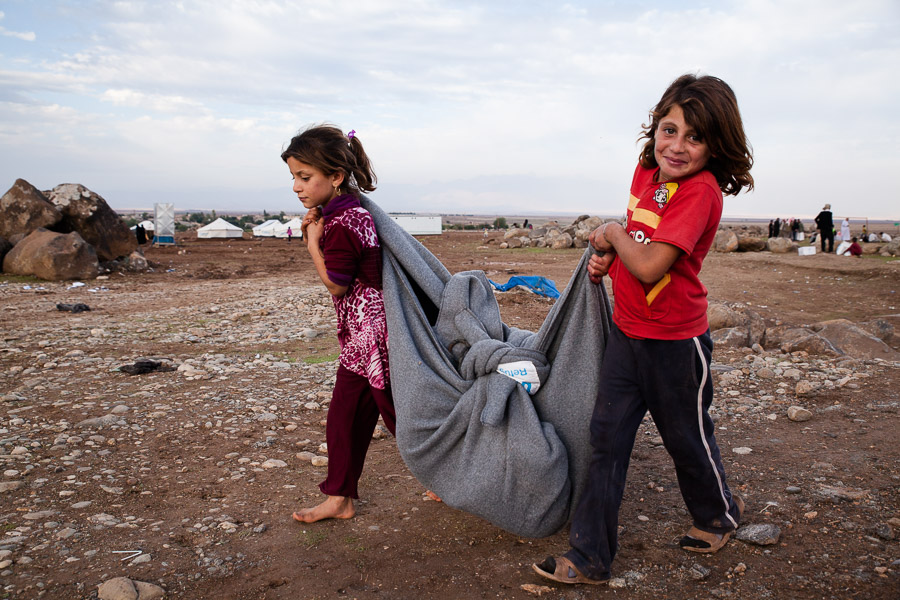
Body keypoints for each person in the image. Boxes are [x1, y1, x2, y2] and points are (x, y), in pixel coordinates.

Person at [533, 74, 753, 586]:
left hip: (677, 344)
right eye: (669, 129)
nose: (676, 146)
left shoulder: (700, 192)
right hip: (626, 336)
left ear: (715, 144)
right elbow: (639, 242)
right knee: (605, 441)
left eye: (694, 137)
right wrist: (609, 258)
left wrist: (610, 233)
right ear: (654, 127)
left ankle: (717, 514)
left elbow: (653, 265)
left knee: (687, 440)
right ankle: (590, 557)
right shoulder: (646, 173)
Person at [281, 125, 396, 523]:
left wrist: (312, 243)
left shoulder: (343, 222)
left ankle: (453, 480)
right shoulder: (348, 211)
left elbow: (337, 283)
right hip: (367, 335)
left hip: (370, 337)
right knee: (349, 414)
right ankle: (340, 496)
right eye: (294, 177)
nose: (297, 186)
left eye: (305, 176)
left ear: (336, 177)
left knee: (398, 416)